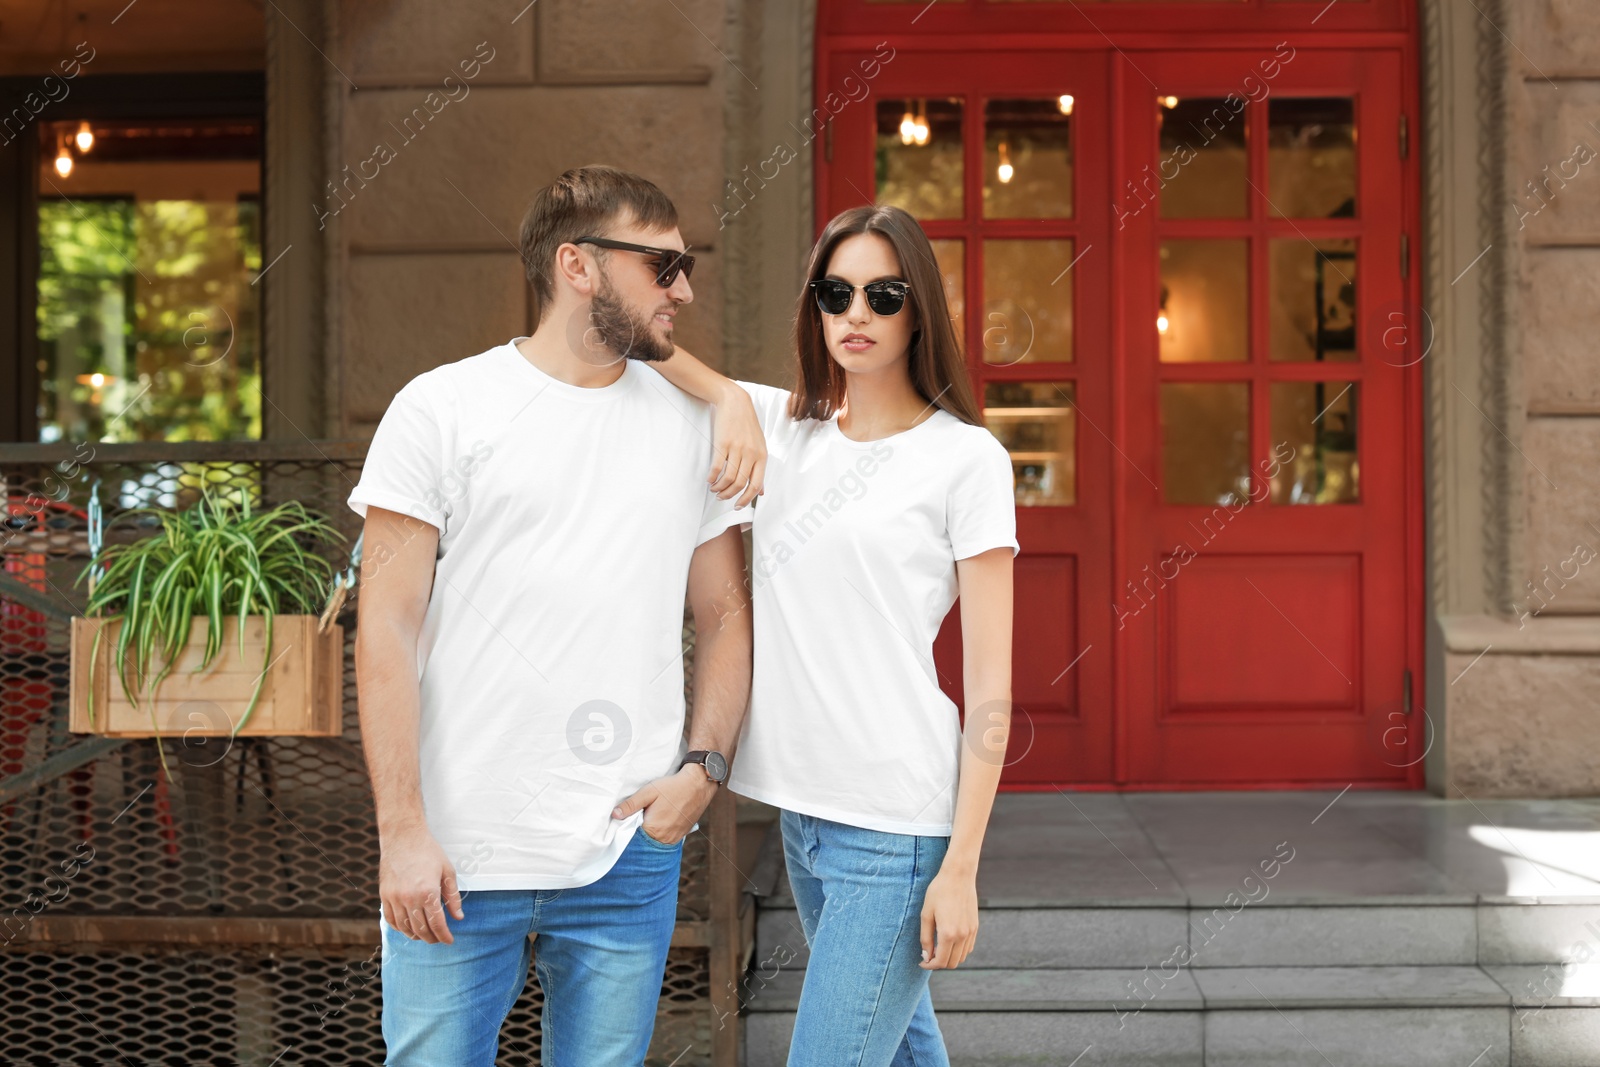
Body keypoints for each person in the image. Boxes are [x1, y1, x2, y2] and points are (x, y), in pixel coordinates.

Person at [348, 165, 760, 1066]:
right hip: (455, 860)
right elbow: (385, 627)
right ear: (578, 265)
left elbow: (726, 616)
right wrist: (403, 832)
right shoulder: (441, 409)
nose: (683, 288)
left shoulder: (696, 426)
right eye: (664, 265)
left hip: (625, 855)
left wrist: (704, 769)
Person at [649, 203, 1017, 1066]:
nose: (857, 312)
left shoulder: (966, 460)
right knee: (902, 1051)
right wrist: (729, 395)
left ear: (920, 308)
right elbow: (642, 344)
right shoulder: (783, 429)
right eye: (836, 291)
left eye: (884, 295)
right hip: (804, 819)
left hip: (896, 824)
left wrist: (961, 865)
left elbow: (993, 689)